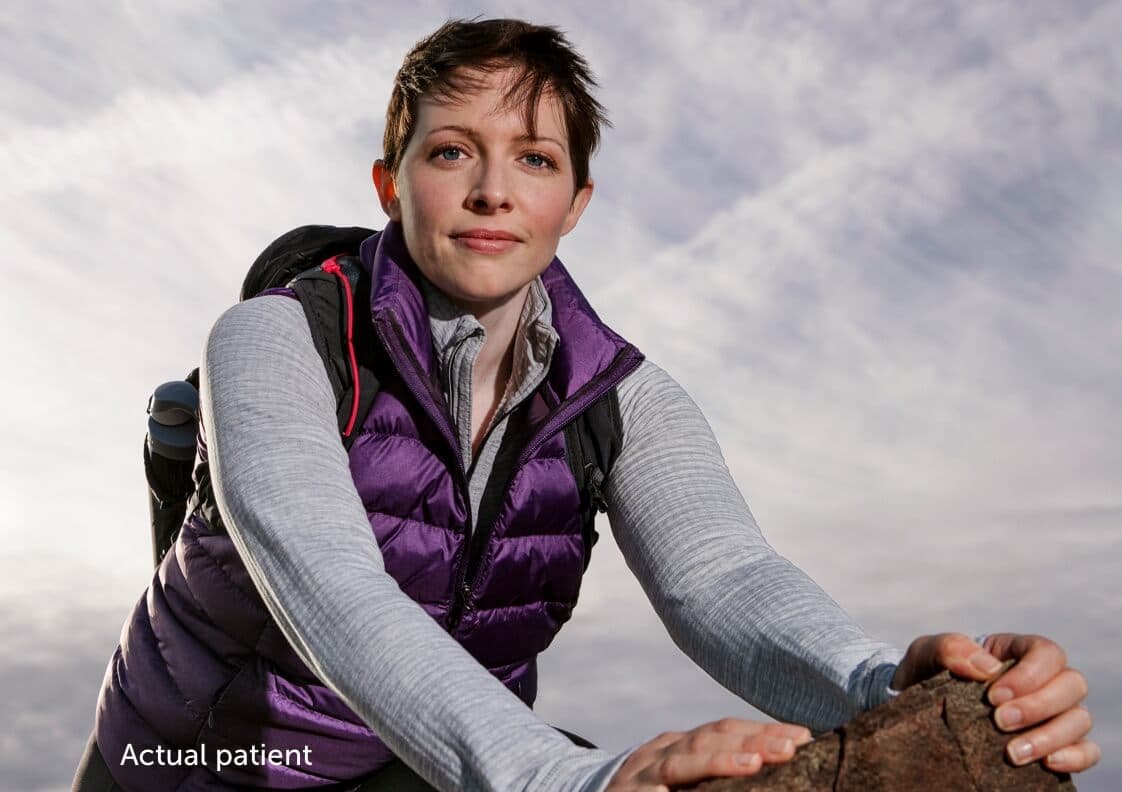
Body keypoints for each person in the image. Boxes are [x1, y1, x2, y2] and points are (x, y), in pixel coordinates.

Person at [73, 17, 1099, 792]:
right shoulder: (271, 339)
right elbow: (334, 586)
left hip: (442, 766)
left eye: (535, 157)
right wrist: (566, 779)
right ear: (391, 184)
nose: (492, 190)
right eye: (450, 151)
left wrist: (888, 684)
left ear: (577, 202)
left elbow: (722, 577)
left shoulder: (621, 397)